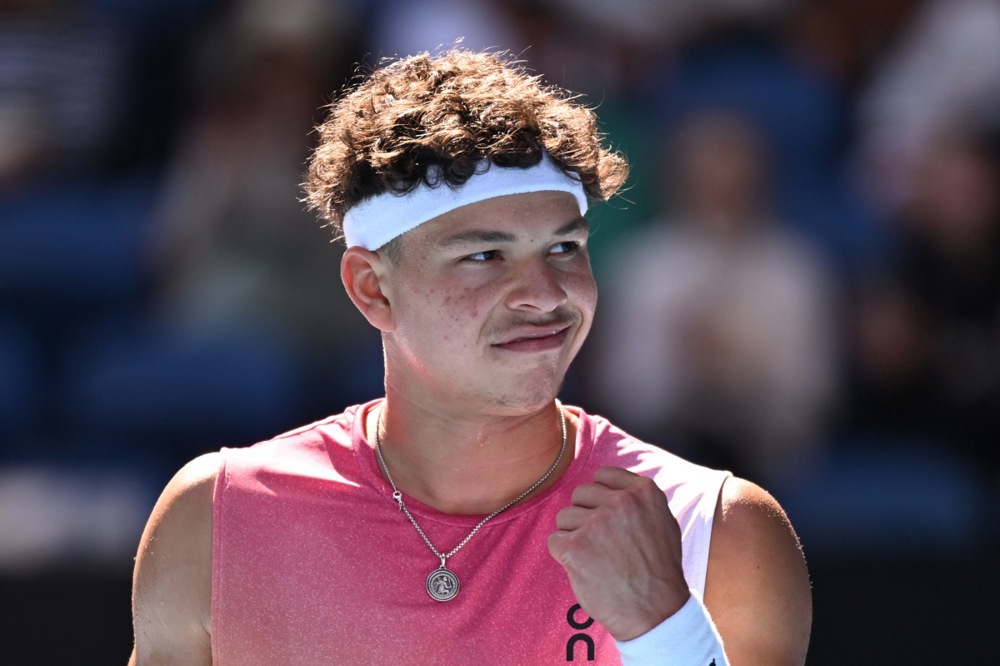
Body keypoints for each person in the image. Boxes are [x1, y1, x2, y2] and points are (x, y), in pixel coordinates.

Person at [129, 49, 811, 665]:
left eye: (563, 249)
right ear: (373, 289)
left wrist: (664, 632)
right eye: (485, 257)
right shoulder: (213, 518)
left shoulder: (721, 529)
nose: (545, 295)